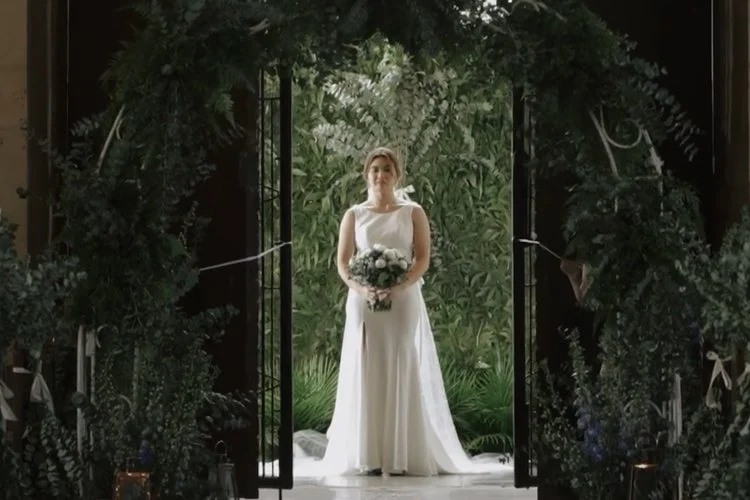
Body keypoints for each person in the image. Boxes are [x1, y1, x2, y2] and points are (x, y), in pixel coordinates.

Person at [292, 147, 512, 479]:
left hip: (403, 300)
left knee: (401, 362)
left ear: (397, 175)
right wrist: (363, 288)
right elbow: (342, 262)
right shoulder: (354, 214)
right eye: (375, 169)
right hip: (364, 302)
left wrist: (400, 285)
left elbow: (422, 258)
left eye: (386, 169)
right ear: (366, 175)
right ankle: (368, 454)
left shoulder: (413, 212)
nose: (380, 175)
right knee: (366, 366)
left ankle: (402, 452)